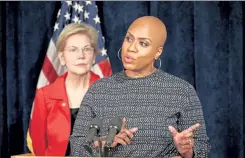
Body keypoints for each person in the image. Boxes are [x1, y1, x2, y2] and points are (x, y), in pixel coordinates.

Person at [70, 16, 211, 158]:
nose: (131, 48)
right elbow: (76, 147)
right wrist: (103, 143)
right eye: (129, 39)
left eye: (143, 44)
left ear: (158, 52)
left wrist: (186, 151)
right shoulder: (99, 90)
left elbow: (202, 147)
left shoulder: (181, 91)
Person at [27, 22, 102, 156]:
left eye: (86, 49)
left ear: (94, 56)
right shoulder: (45, 95)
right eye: (73, 49)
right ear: (62, 58)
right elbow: (39, 146)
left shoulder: (110, 91)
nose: (81, 55)